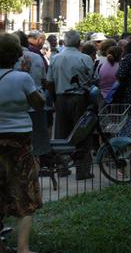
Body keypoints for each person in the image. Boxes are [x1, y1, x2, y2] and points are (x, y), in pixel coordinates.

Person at [0, 33, 45, 253]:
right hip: (20, 140)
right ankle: (23, 248)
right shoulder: (22, 78)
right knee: (25, 192)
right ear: (17, 55)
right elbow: (38, 104)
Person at [46, 30, 95, 179]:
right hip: (80, 98)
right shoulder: (85, 58)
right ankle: (83, 171)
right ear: (79, 42)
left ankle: (61, 168)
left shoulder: (55, 58)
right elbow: (91, 79)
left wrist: (55, 99)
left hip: (61, 97)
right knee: (83, 133)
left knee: (61, 133)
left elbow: (49, 82)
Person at [13, 31, 50, 158]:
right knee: (37, 145)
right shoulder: (36, 57)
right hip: (36, 105)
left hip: (16, 107)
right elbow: (44, 80)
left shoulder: (11, 59)